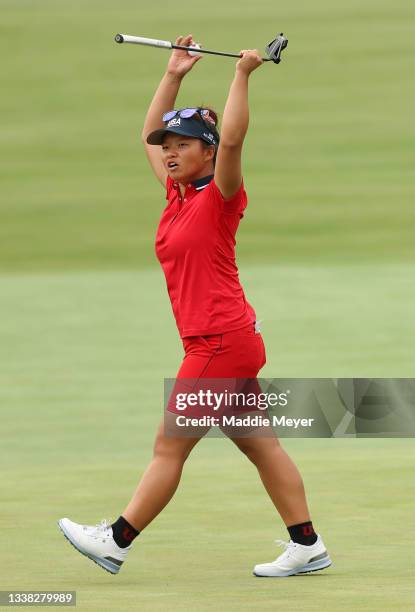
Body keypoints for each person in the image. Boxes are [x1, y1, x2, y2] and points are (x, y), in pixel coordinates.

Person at [58, 34, 331, 578]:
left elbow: (233, 144)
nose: (170, 151)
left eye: (183, 143)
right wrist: (174, 74)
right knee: (261, 446)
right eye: (169, 144)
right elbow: (145, 136)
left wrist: (242, 74)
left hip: (219, 343)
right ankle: (308, 546)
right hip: (225, 341)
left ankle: (116, 540)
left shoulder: (220, 196)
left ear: (206, 150)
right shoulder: (177, 196)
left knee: (169, 447)